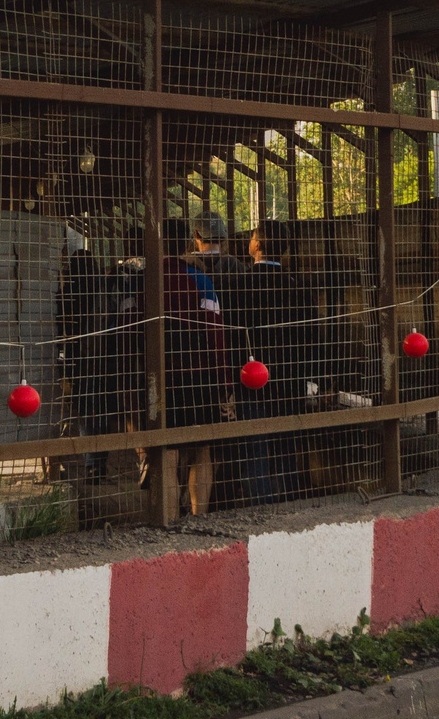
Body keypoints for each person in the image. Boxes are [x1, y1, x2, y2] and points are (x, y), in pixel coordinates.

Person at [120, 217, 229, 512]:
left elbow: (128, 335)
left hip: (154, 378)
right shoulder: (200, 279)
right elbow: (215, 333)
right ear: (185, 244)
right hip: (197, 377)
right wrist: (224, 382)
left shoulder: (138, 282)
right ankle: (199, 514)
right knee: (201, 449)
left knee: (166, 451)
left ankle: (167, 519)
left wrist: (131, 382)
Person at [227, 220, 317, 504]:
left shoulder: (238, 286)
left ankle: (261, 509)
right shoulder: (300, 288)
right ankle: (290, 501)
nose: (250, 240)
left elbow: (230, 336)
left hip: (251, 379)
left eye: (253, 236)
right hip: (290, 380)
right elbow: (312, 338)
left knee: (255, 448)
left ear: (258, 245)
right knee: (287, 446)